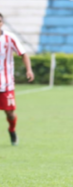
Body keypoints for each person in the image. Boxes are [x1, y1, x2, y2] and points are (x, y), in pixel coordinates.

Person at [0, 13, 35, 145]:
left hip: (6, 83)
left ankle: (12, 130)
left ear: (1, 23)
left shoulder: (10, 37)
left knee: (9, 113)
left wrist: (29, 70)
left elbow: (23, 54)